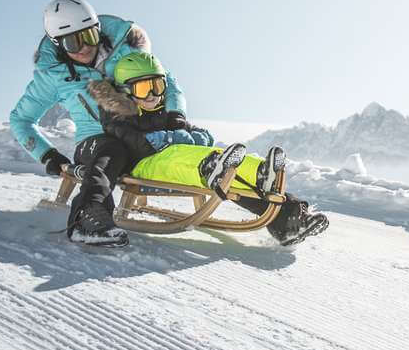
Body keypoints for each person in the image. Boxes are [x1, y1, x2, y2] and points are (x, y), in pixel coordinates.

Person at [7, 0, 326, 246]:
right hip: (98, 138)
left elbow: (166, 81)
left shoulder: (124, 47)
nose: (85, 47)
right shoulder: (53, 76)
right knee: (110, 153)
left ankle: (284, 217)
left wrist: (175, 116)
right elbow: (21, 119)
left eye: (89, 35)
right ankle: (89, 218)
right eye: (73, 43)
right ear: (58, 45)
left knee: (193, 159)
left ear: (98, 28)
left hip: (146, 128)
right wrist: (49, 157)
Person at [79, 51, 329, 248]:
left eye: (158, 86)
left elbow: (201, 135)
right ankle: (212, 170)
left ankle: (284, 210)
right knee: (185, 158)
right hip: (147, 165)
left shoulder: (164, 114)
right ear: (125, 91)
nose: (154, 95)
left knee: (227, 161)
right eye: (145, 88)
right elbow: (141, 143)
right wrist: (174, 138)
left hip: (184, 158)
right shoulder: (119, 117)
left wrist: (190, 135)